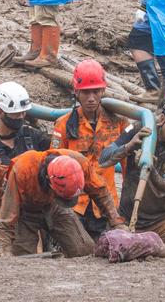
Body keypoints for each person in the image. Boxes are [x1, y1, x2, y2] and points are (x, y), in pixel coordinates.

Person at [100, 93, 165, 254]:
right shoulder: (140, 128)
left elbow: (164, 187)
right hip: (127, 217)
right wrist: (129, 146)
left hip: (163, 220)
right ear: (162, 118)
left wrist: (150, 168)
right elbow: (104, 159)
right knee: (110, 249)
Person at [0, 149, 124, 257]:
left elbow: (100, 192)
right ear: (49, 182)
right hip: (26, 211)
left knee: (84, 251)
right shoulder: (23, 169)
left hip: (56, 207)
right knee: (22, 258)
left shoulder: (80, 163)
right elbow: (7, 216)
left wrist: (117, 223)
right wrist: (5, 249)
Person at [52, 59, 127, 239]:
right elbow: (53, 167)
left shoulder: (118, 122)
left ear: (103, 91)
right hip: (75, 205)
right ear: (76, 92)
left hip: (106, 206)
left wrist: (127, 205)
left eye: (96, 91)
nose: (91, 98)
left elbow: (128, 164)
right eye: (86, 92)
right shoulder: (63, 125)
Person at [0, 82, 50, 167]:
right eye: (16, 113)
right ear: (0, 112)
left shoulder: (33, 135)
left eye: (23, 112)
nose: (21, 117)